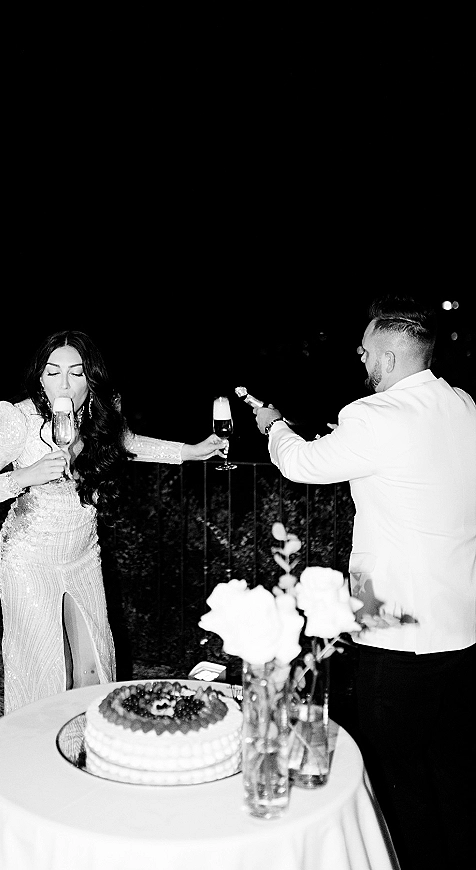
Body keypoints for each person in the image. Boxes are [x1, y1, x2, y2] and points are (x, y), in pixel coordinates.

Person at [254, 296, 476, 870]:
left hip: (398, 633)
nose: (360, 356)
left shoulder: (373, 415)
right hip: (462, 627)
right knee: (452, 769)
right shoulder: (462, 405)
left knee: (393, 773)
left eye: (366, 350)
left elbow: (300, 463)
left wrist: (274, 426)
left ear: (392, 355)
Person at [0, 330, 226, 715]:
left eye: (75, 373)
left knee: (94, 666)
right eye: (52, 372)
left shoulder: (98, 412)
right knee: (48, 671)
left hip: (82, 556)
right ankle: (36, 746)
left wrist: (189, 452)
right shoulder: (17, 419)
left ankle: (87, 744)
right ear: (40, 377)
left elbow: (128, 443)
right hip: (29, 560)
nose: (63, 384)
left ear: (90, 379)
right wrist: (25, 476)